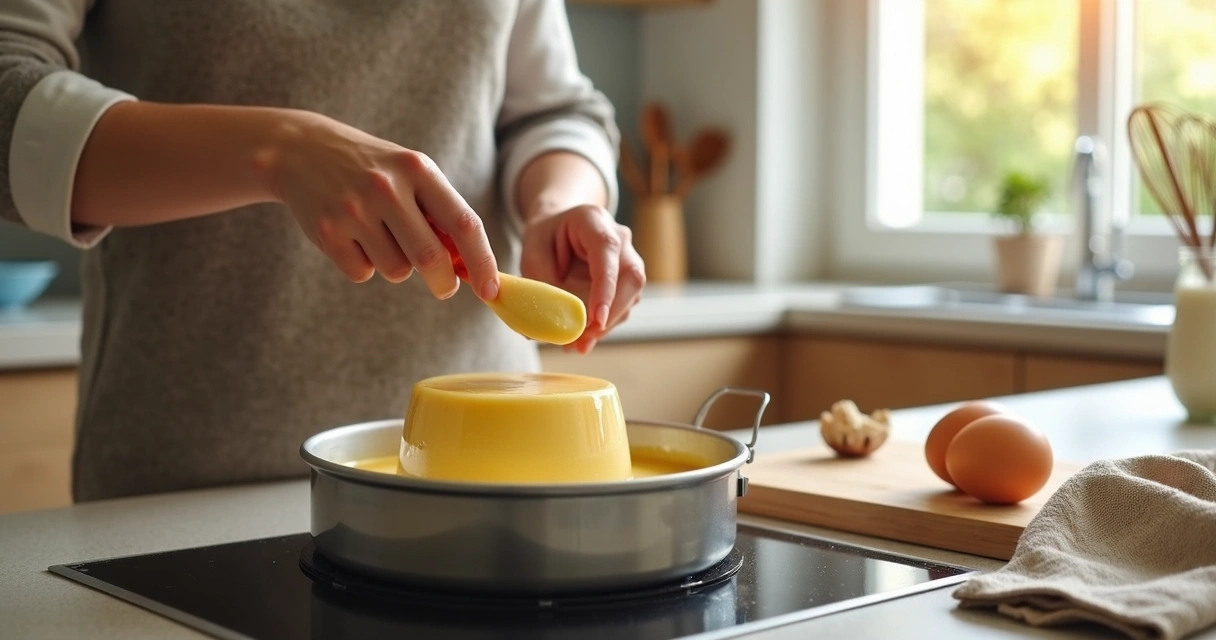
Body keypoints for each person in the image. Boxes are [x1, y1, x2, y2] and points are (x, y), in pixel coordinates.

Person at [0, 0, 645, 502]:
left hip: (487, 479)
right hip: (187, 492)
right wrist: (279, 150)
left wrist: (559, 204)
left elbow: (552, 111)